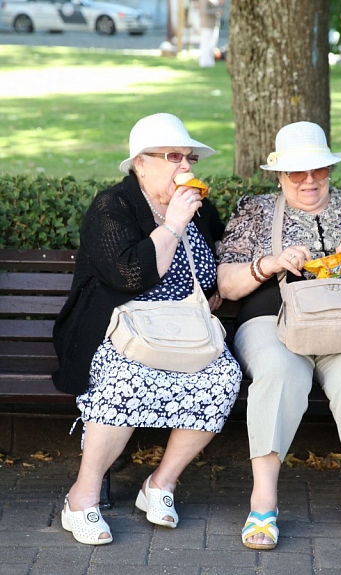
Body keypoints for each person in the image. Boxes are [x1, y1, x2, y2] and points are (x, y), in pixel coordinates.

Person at [52, 113, 243, 546]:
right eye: (173, 156)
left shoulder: (200, 207)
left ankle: (160, 484)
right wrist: (172, 224)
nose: (185, 165)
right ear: (141, 163)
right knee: (123, 378)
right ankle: (81, 498)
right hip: (119, 324)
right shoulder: (112, 206)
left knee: (222, 376)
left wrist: (212, 288)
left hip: (181, 326)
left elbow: (210, 268)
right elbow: (128, 275)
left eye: (189, 157)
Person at [216, 121, 341, 551]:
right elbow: (226, 285)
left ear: (329, 169)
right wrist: (271, 263)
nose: (308, 180)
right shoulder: (257, 210)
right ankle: (262, 502)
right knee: (279, 372)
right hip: (272, 320)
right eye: (296, 172)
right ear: (279, 175)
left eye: (317, 169)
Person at [198, 0, 223, 68]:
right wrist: (216, 12)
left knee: (211, 44)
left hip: (213, 24)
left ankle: (209, 61)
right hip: (207, 25)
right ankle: (204, 62)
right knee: (206, 44)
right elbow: (204, 11)